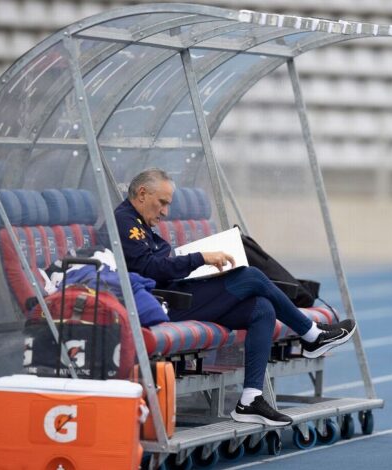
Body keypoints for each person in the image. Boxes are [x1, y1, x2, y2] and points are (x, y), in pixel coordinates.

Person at [115, 168, 356, 426]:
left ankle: (250, 400)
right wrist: (200, 259)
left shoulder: (140, 222)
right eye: (162, 203)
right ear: (142, 194)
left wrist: (198, 263)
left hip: (177, 293)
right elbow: (150, 269)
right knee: (251, 277)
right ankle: (311, 335)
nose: (165, 212)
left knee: (262, 308)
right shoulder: (124, 220)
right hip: (163, 303)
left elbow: (159, 264)